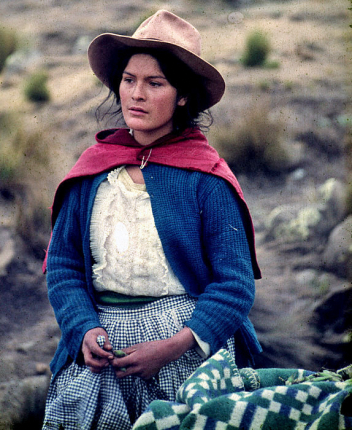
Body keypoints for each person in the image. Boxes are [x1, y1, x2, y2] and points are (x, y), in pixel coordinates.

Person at [42, 9, 262, 430]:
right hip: (101, 348)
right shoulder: (93, 172)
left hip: (184, 350)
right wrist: (83, 329)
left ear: (183, 96)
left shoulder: (206, 179)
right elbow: (65, 266)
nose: (136, 94)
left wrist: (174, 347)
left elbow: (235, 284)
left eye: (155, 83)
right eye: (129, 80)